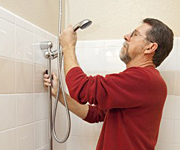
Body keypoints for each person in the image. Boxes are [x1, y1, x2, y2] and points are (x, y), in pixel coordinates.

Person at [44, 18, 174, 150]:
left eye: (135, 34)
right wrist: (60, 95)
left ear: (150, 47)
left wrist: (68, 46)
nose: (126, 36)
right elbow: (95, 114)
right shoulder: (144, 80)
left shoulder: (144, 79)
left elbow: (81, 89)